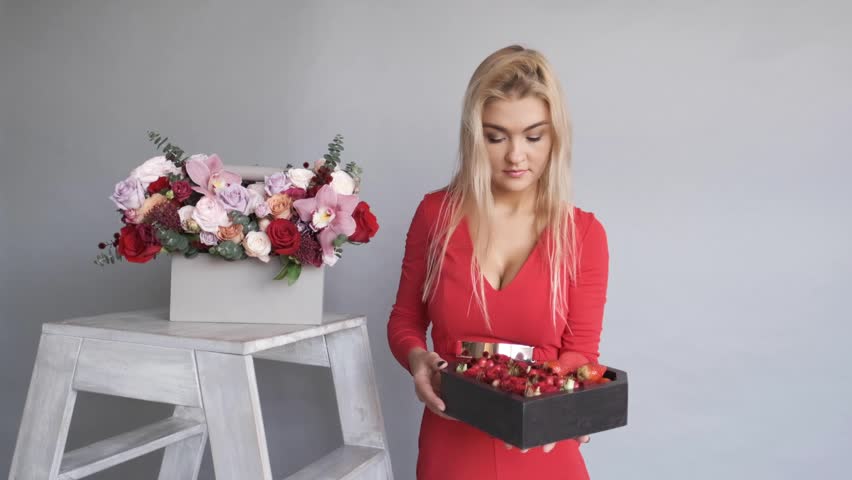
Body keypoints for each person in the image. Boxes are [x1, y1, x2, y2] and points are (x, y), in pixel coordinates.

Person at [387, 44, 610, 479]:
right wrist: (417, 360)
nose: (515, 156)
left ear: (555, 136)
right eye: (496, 136)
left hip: (544, 451)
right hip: (451, 440)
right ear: (474, 136)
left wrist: (566, 403)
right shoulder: (436, 216)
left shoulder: (582, 234)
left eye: (533, 136)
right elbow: (405, 319)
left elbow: (582, 350)